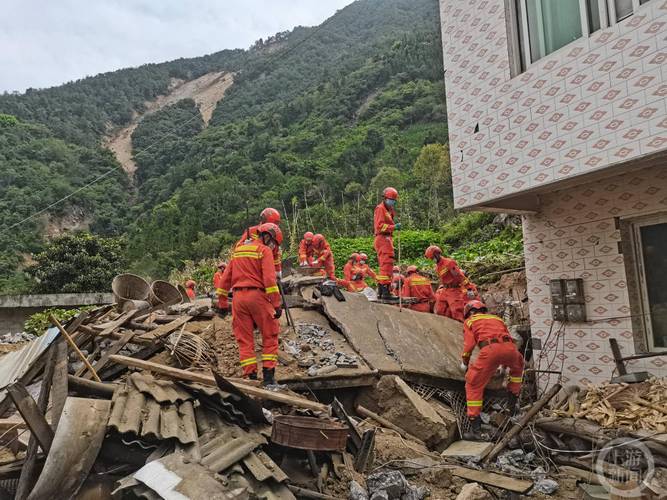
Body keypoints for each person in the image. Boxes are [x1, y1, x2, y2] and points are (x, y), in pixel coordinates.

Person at [220, 223, 283, 385]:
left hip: (238, 299)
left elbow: (225, 279)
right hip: (257, 296)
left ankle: (251, 377)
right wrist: (276, 304)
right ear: (267, 236)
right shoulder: (264, 251)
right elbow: (270, 281)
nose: (273, 247)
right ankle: (269, 378)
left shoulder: (239, 251)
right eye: (274, 243)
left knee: (244, 339)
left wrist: (222, 303)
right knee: (270, 334)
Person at [461, 300, 524, 440]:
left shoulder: (470, 321)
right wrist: (503, 365)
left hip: (489, 350)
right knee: (517, 371)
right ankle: (512, 409)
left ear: (470, 312)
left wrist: (465, 363)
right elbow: (507, 338)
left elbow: (469, 346)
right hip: (510, 349)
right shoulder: (497, 318)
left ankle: (475, 430)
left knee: (473, 384)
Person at [425, 245, 477, 322]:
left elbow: (460, 276)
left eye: (433, 257)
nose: (432, 259)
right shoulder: (437, 267)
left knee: (457, 312)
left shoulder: (449, 263)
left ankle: (462, 328)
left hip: (454, 290)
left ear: (437, 254)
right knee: (439, 310)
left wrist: (469, 288)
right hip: (445, 290)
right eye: (431, 258)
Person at [238, 208, 283, 275]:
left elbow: (275, 254)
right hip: (251, 268)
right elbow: (237, 248)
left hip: (266, 267)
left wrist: (278, 272)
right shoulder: (251, 231)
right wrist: (245, 246)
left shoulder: (276, 234)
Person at [374, 187, 400, 299]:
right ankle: (385, 291)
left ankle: (381, 290)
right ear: (385, 198)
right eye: (390, 199)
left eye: (394, 200)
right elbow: (379, 226)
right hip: (383, 238)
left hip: (386, 238)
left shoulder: (389, 210)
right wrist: (393, 227)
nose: (392, 202)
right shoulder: (380, 209)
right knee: (387, 264)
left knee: (384, 265)